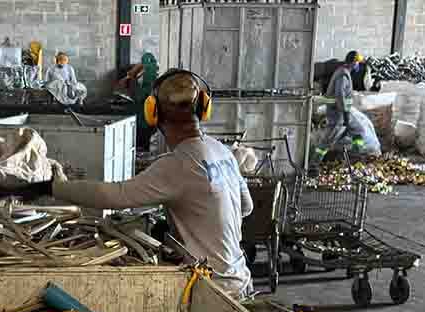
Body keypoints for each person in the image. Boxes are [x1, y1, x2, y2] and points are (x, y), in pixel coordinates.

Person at [20, 70, 255, 298]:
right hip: (240, 279)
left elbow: (115, 196)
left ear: (153, 112)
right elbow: (246, 207)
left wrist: (56, 186)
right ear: (204, 107)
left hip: (213, 289)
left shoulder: (178, 164)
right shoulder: (221, 150)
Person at [320, 51, 366, 156]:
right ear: (354, 62)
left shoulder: (344, 72)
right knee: (328, 140)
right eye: (358, 62)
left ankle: (356, 155)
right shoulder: (343, 75)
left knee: (358, 130)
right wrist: (345, 115)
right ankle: (314, 164)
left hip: (342, 112)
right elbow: (339, 95)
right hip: (337, 113)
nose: (358, 65)